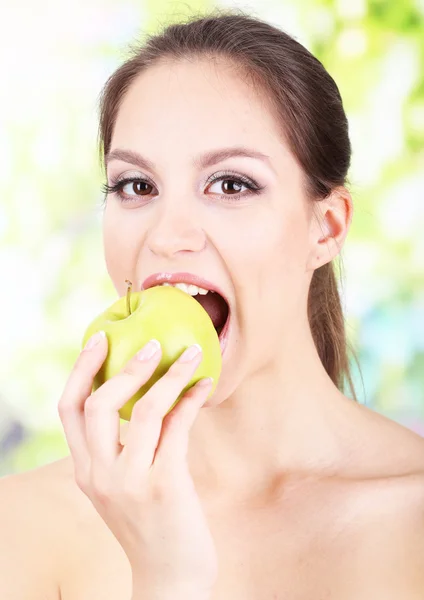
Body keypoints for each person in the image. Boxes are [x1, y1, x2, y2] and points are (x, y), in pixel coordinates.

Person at [1, 9, 424, 600]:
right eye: (136, 186)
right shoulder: (20, 530)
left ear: (325, 227)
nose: (167, 233)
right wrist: (167, 578)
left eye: (231, 184)